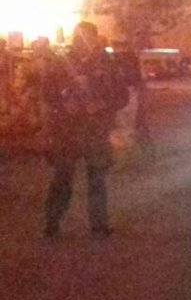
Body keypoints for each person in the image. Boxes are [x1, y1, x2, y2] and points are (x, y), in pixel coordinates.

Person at [41, 22, 129, 238]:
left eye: (86, 38)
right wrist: (63, 102)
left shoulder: (107, 63)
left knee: (97, 179)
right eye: (78, 37)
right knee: (62, 178)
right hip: (67, 130)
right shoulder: (61, 62)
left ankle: (99, 225)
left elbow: (122, 96)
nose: (81, 42)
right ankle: (52, 222)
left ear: (94, 39)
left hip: (95, 130)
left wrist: (101, 104)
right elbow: (47, 92)